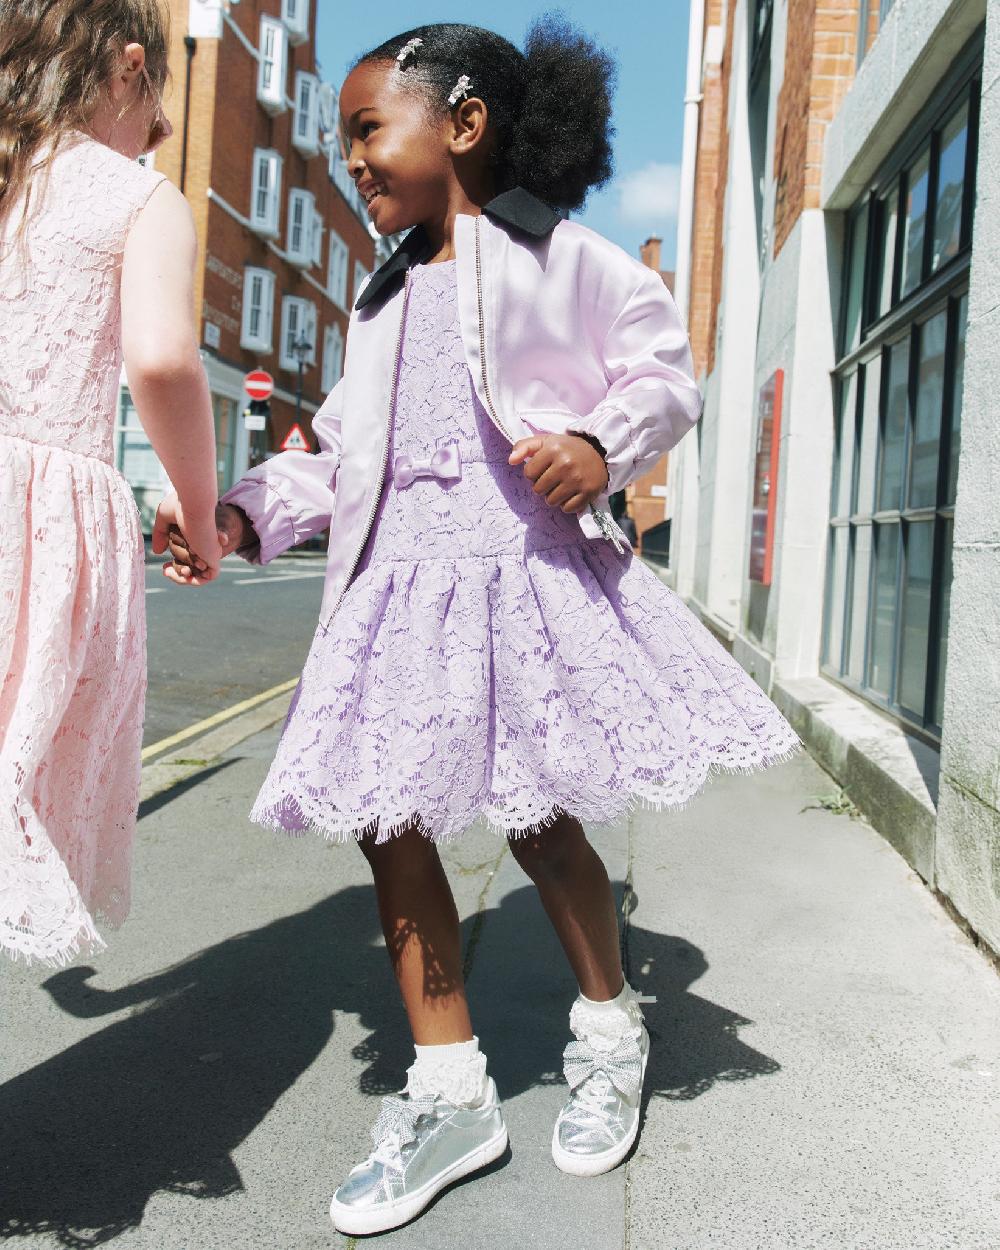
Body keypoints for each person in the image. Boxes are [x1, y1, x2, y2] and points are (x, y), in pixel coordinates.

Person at [159, 18, 798, 1235]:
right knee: (388, 829)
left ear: (462, 122)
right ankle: (449, 1084)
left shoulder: (568, 259)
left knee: (542, 824)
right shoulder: (381, 295)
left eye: (366, 128)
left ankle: (611, 1025)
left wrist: (599, 445)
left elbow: (665, 374)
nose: (350, 158)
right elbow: (344, 454)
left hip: (523, 581)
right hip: (397, 597)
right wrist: (242, 514)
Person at [0, 0, 221, 966]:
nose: (155, 135)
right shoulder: (136, 196)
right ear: (130, 70)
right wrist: (199, 509)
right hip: (37, 534)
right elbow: (166, 360)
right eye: (157, 110)